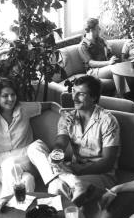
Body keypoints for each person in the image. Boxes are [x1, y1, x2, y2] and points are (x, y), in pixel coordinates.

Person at [27, 75, 121, 205]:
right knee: (34, 147)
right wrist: (56, 156)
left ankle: (59, 208)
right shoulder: (68, 118)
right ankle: (71, 188)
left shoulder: (108, 121)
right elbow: (60, 143)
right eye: (73, 92)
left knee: (57, 185)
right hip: (72, 172)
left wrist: (72, 171)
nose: (74, 98)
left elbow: (107, 162)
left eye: (81, 94)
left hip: (101, 175)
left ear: (93, 97)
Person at [78, 17, 129, 98]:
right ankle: (122, 99)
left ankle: (118, 98)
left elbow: (108, 53)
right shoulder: (83, 45)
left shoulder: (100, 40)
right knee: (115, 69)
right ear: (92, 30)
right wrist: (108, 63)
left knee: (118, 75)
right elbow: (91, 63)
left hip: (105, 69)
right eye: (98, 28)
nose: (100, 29)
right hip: (92, 71)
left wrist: (111, 56)